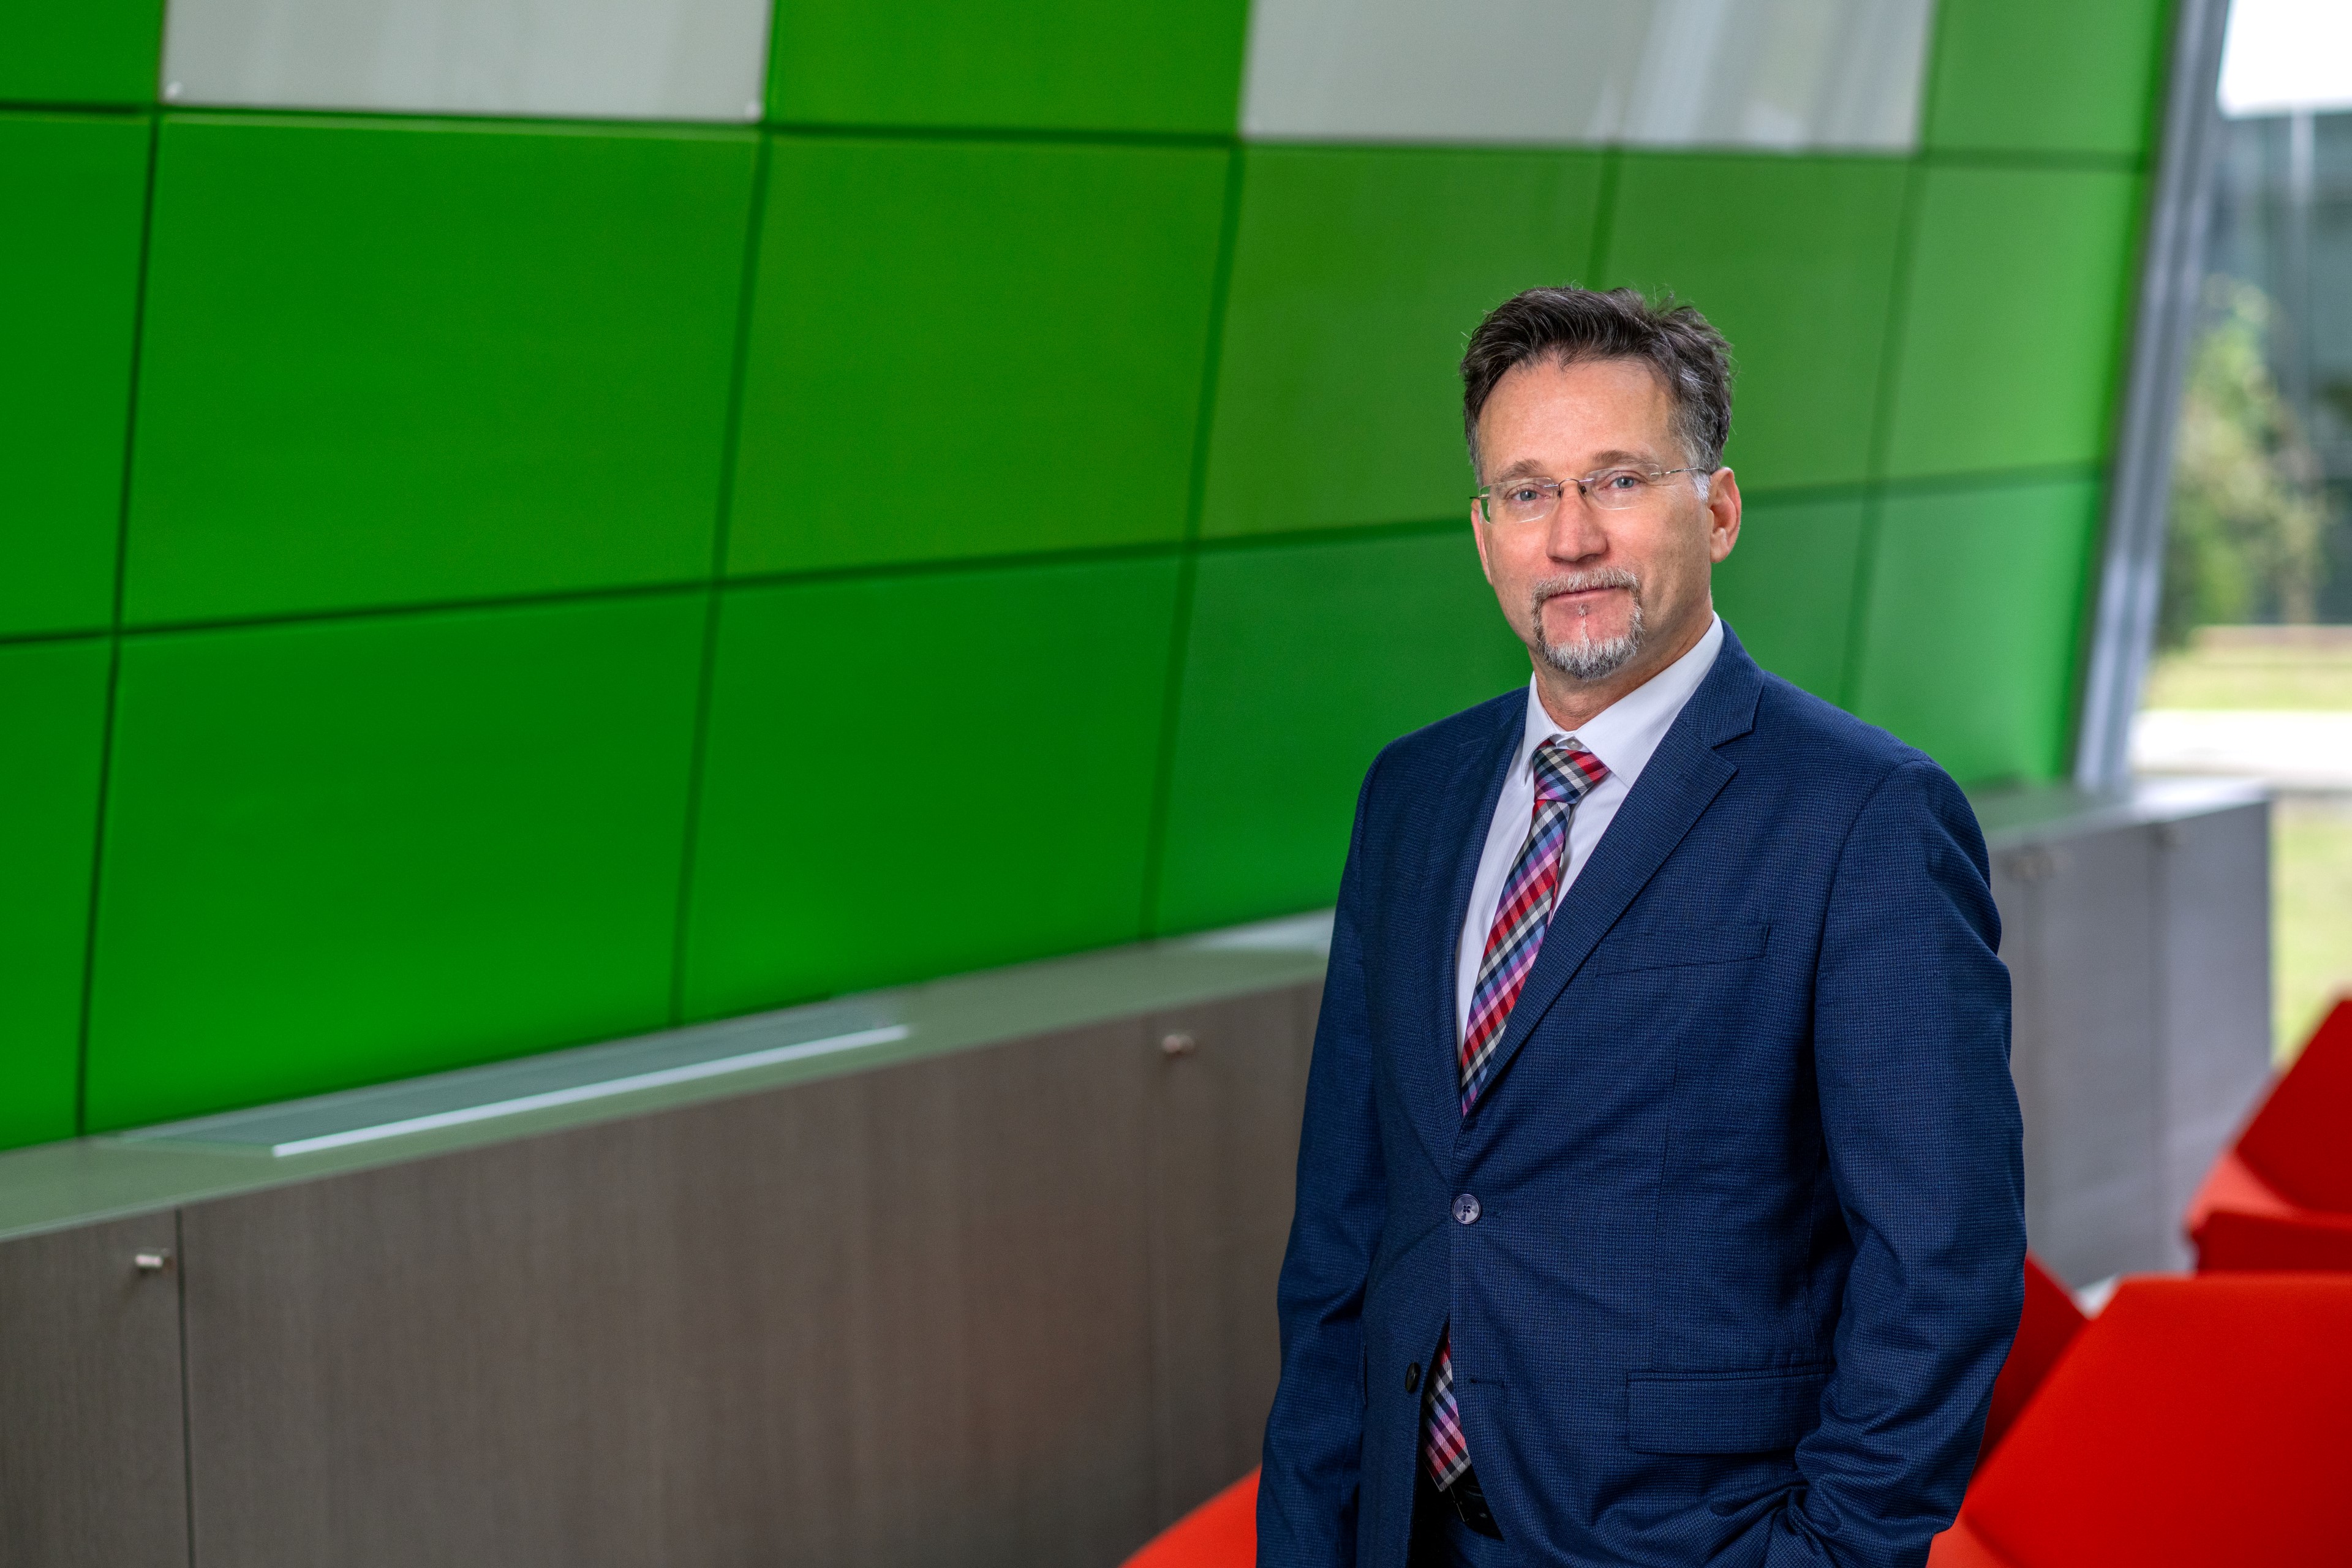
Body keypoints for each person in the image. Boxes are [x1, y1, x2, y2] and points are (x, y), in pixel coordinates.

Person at [1256, 287, 2025, 1568]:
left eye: (1618, 480)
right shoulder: (1412, 797)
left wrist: (1828, 1553)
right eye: (1526, 492)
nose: (1571, 537)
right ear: (1484, 534)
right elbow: (1347, 1226)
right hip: (1403, 1531)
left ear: (1716, 509)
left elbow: (1943, 1260)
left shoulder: (1865, 814)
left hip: (1696, 1542)